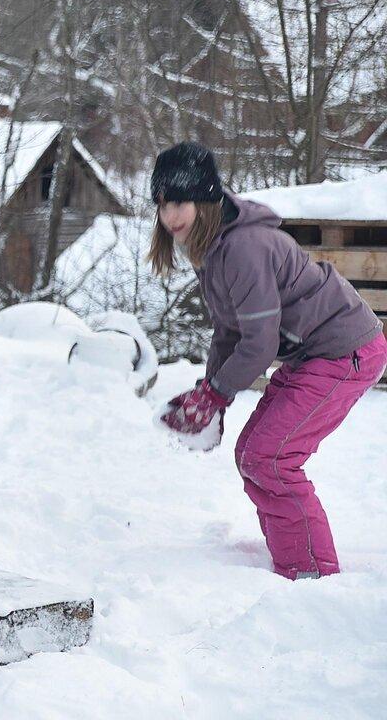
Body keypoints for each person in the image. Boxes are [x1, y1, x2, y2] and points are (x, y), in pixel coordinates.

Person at [149, 142, 386, 580]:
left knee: (271, 456)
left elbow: (257, 346)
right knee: (252, 454)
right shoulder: (211, 250)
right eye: (161, 204)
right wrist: (212, 397)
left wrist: (214, 394)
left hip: (344, 350)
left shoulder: (244, 248)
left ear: (206, 197)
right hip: (313, 351)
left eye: (179, 201)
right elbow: (229, 332)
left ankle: (311, 573)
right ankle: (292, 555)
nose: (170, 215)